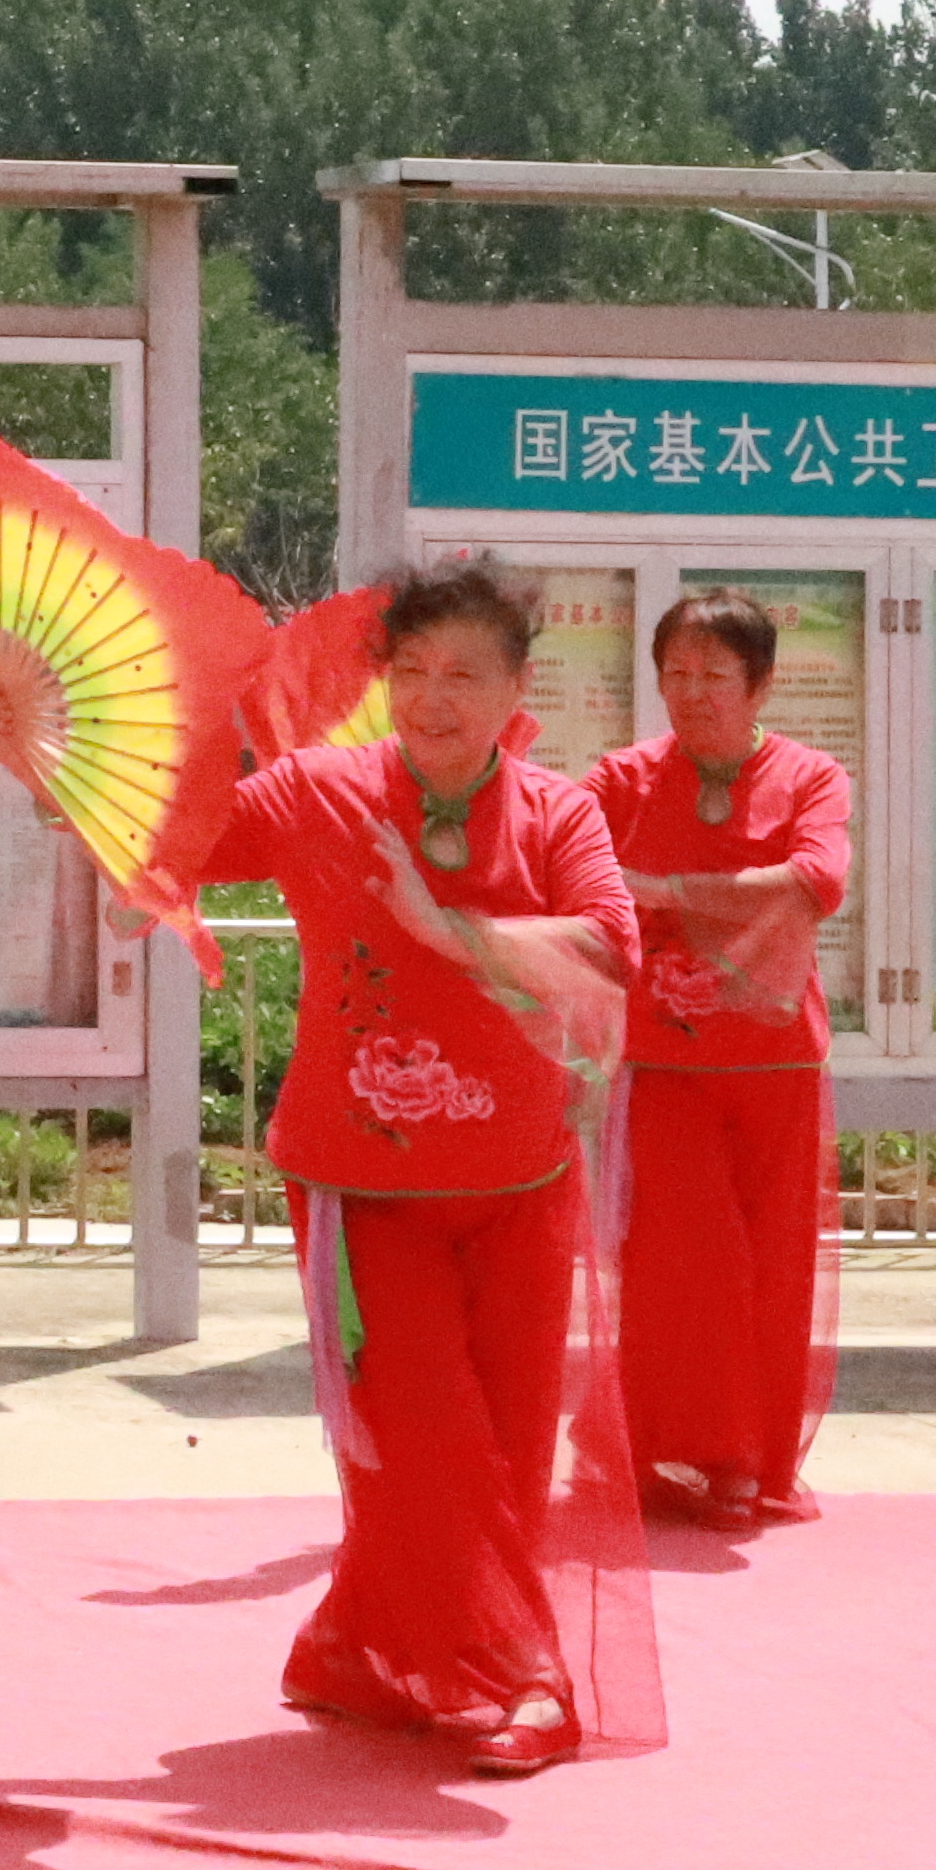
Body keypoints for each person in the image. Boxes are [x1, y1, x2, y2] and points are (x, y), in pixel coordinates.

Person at [116, 564, 646, 1774]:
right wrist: (30, 762)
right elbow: (162, 848)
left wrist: (442, 924)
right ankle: (525, 1673)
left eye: (463, 673)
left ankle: (362, 1645)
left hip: (520, 1179)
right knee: (422, 1436)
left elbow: (609, 954)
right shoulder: (319, 793)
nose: (431, 697)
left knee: (508, 1448)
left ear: (520, 687)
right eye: (409, 672)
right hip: (366, 1190)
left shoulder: (559, 813)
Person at [584, 590, 856, 1532]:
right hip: (661, 1063)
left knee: (772, 1271)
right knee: (679, 1263)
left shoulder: (812, 778)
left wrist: (660, 890)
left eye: (716, 676)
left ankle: (751, 1461)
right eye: (676, 674)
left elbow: (815, 880)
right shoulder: (620, 781)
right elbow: (568, 866)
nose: (692, 693)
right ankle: (671, 1451)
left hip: (776, 1065)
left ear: (763, 684)